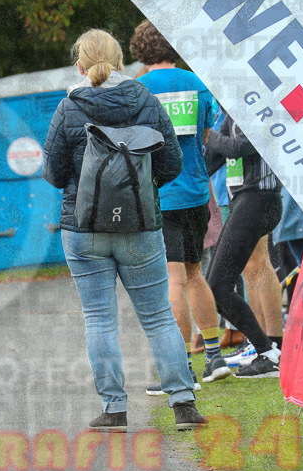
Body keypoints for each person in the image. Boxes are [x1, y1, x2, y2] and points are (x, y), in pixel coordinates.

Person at [42, 28, 205, 432]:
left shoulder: (69, 107)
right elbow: (171, 164)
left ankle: (114, 409)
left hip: (82, 229)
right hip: (141, 227)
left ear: (79, 65)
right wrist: (140, 191)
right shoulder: (145, 100)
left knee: (99, 319)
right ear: (120, 63)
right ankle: (183, 403)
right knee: (158, 317)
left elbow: (52, 171)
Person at [129, 21, 226, 389]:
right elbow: (206, 134)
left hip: (161, 193)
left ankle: (182, 365)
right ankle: (214, 355)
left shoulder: (138, 90)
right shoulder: (197, 83)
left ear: (140, 49)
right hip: (197, 191)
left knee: (172, 278)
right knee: (194, 273)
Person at [204, 111, 284, 377]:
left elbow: (237, 147)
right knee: (222, 283)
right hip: (245, 200)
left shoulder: (259, 107)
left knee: (218, 285)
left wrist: (205, 133)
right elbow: (214, 158)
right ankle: (267, 347)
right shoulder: (231, 109)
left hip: (258, 199)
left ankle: (269, 350)